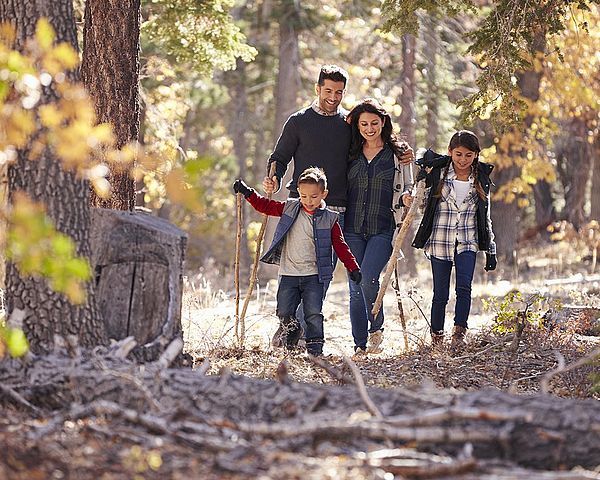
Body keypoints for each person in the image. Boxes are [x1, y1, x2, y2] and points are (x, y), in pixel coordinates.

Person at [262, 64, 414, 346]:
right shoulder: (298, 121)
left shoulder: (348, 124)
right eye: (328, 90)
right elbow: (280, 157)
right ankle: (290, 328)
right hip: (302, 208)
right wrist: (273, 177)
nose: (333, 96)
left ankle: (300, 331)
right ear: (317, 88)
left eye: (339, 92)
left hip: (338, 212)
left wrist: (403, 151)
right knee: (299, 271)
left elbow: (375, 142)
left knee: (323, 275)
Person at [234, 167, 362, 356]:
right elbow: (266, 206)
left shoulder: (330, 219)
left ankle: (315, 350)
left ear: (323, 194)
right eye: (303, 196)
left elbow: (340, 245)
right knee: (284, 311)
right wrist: (247, 192)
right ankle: (292, 331)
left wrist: (352, 267)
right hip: (289, 274)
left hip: (314, 276)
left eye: (313, 196)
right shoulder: (290, 208)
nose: (308, 201)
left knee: (313, 314)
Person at [412, 130, 497, 351]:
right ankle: (436, 336)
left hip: (467, 241)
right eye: (458, 154)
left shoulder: (480, 179)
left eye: (469, 155)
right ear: (450, 152)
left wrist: (491, 249)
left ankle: (459, 333)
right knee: (440, 293)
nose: (463, 160)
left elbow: (485, 216)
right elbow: (422, 206)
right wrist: (418, 187)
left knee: (464, 288)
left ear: (476, 155)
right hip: (440, 240)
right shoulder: (438, 174)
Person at [343, 98, 414, 356]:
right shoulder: (350, 152)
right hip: (351, 228)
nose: (369, 128)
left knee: (368, 278)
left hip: (383, 228)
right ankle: (359, 344)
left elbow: (409, 186)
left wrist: (408, 197)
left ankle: (376, 328)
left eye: (374, 123)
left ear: (383, 122)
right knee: (354, 286)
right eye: (364, 123)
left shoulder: (398, 155)